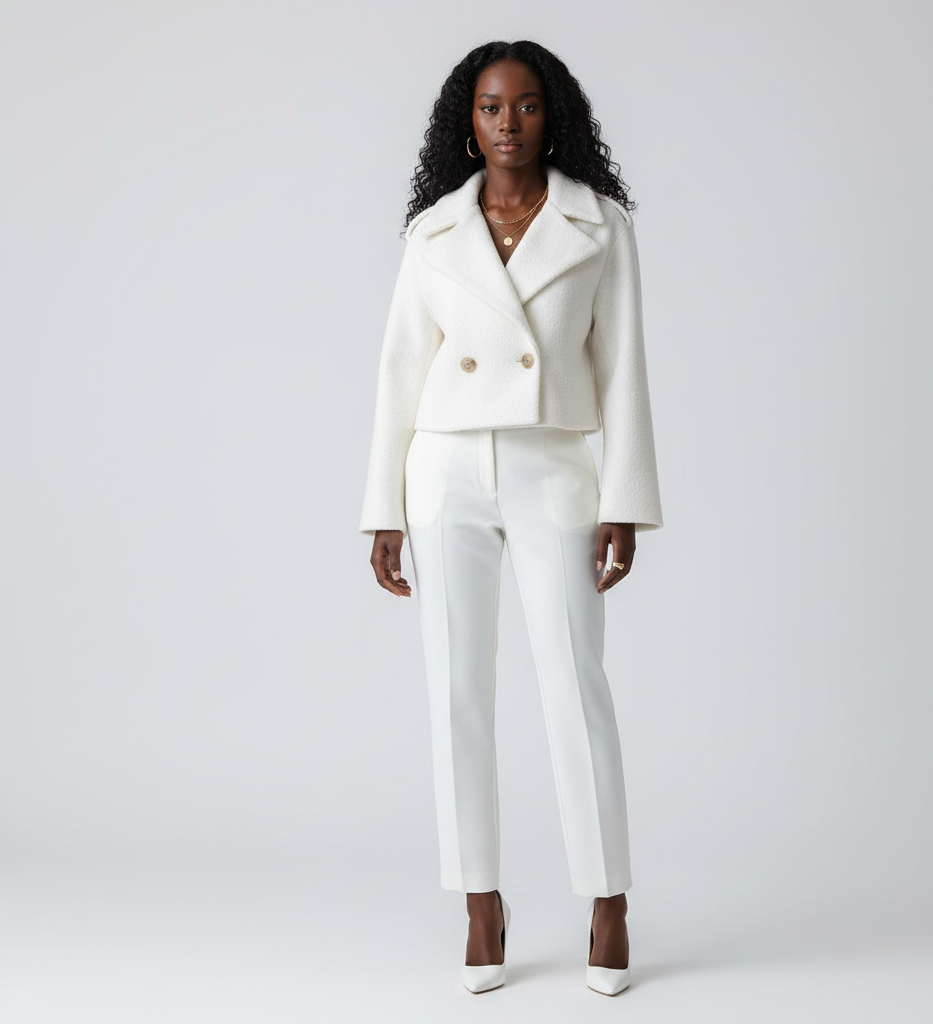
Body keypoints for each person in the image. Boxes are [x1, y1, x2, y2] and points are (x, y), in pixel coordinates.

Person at [359, 39, 662, 995]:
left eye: (526, 106)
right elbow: (399, 371)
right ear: (468, 120)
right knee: (456, 689)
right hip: (444, 470)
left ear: (551, 115)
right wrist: (383, 509)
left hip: (553, 466)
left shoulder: (599, 224)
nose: (508, 124)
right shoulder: (433, 233)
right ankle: (479, 901)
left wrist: (626, 502)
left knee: (575, 682)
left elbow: (624, 368)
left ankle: (607, 898)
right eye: (491, 107)